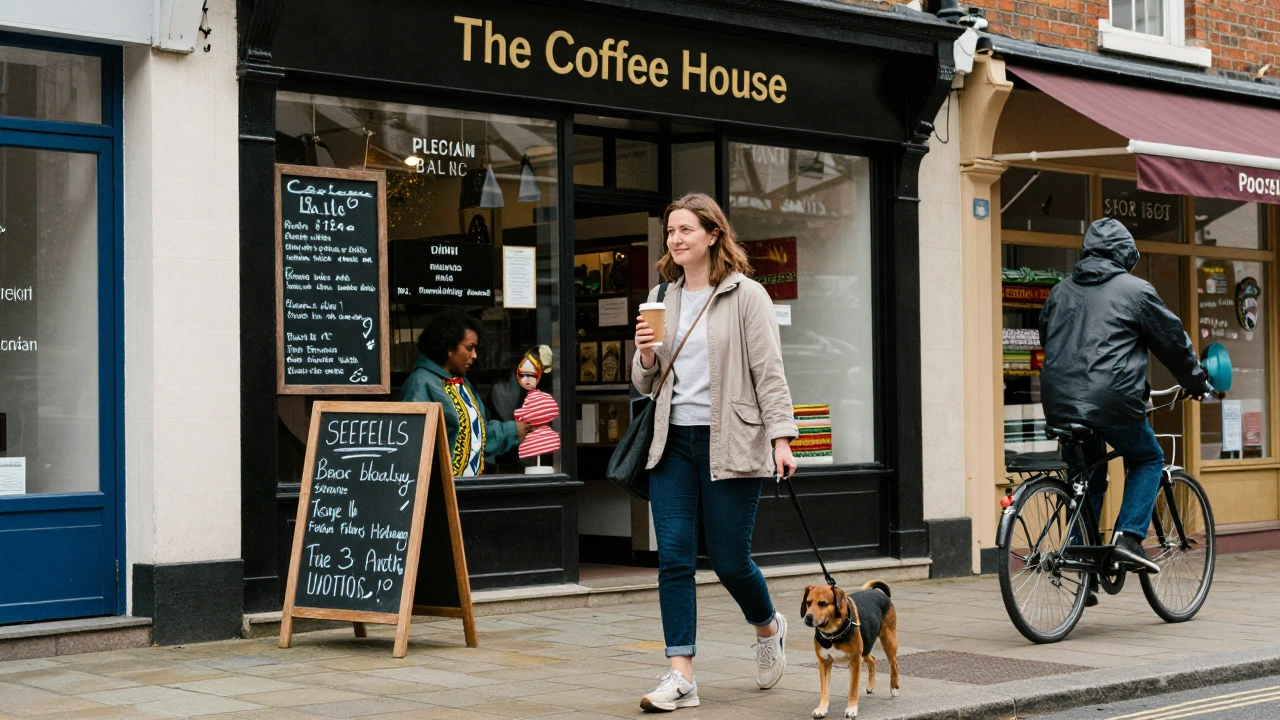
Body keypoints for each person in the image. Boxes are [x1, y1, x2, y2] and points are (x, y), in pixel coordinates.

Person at [632, 193, 799, 712]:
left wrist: (782, 437)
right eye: (670, 231)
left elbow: (769, 372)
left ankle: (769, 626)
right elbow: (645, 383)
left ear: (712, 235)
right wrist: (642, 354)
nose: (675, 239)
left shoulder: (748, 296)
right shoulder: (663, 297)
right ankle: (681, 674)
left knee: (729, 560)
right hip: (673, 443)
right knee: (675, 560)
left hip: (731, 441)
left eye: (685, 229)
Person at [1039, 218, 1212, 578]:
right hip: (1113, 402)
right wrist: (1195, 381)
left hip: (1060, 403)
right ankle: (1129, 539)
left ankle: (1078, 556)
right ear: (1126, 255)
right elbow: (1172, 342)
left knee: (1087, 476)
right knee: (1148, 458)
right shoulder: (1136, 290)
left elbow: (1050, 341)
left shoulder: (1060, 291)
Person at [400, 310, 529, 477]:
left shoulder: (462, 383)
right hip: (440, 493)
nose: (474, 355)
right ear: (448, 348)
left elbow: (477, 437)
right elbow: (412, 445)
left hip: (469, 487)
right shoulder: (420, 382)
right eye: (469, 348)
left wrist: (512, 431)